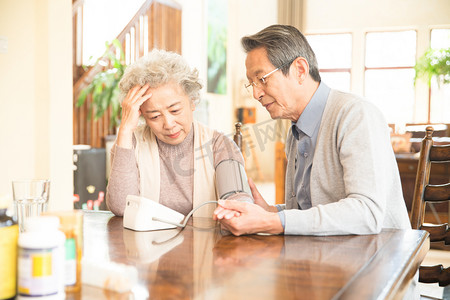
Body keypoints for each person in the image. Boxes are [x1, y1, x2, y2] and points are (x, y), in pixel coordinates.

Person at [213, 24, 411, 236]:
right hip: (329, 255)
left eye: (262, 79)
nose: (256, 94)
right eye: (251, 83)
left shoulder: (356, 115)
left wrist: (273, 221)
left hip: (378, 258)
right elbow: (308, 211)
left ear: (300, 70)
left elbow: (366, 213)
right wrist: (270, 211)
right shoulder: (295, 131)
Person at [106, 49, 251, 218]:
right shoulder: (132, 144)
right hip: (148, 243)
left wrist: (238, 206)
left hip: (206, 243)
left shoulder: (219, 144)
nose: (168, 124)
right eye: (154, 116)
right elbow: (121, 207)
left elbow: (238, 201)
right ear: (142, 115)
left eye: (175, 110)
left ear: (192, 101)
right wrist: (124, 130)